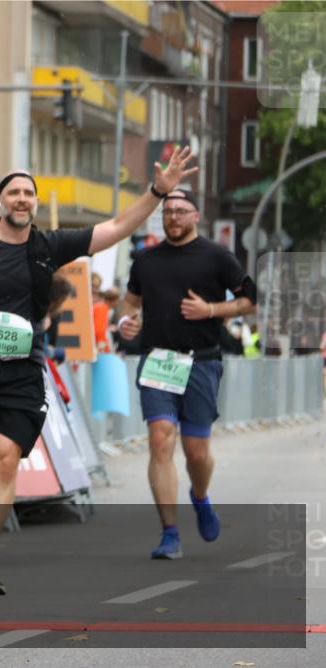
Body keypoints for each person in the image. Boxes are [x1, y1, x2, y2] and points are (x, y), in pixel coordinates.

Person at [0, 148, 198, 596]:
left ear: (34, 202)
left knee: (6, 460)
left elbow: (116, 228)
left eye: (29, 192)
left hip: (20, 375)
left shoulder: (48, 246)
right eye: (14, 192)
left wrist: (156, 193)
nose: (22, 198)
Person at [118, 188, 256, 560]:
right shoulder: (146, 260)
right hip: (158, 361)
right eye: (168, 212)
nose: (173, 217)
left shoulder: (217, 257)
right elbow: (129, 304)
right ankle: (170, 534)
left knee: (196, 453)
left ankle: (200, 497)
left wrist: (211, 310)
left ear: (196, 216)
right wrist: (125, 323)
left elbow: (250, 301)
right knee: (160, 439)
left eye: (181, 211)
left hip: (201, 363)